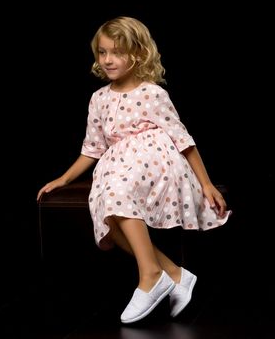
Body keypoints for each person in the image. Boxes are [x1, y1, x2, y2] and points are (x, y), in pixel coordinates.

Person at [37, 16, 231, 324]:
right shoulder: (98, 98)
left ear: (138, 54)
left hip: (156, 160)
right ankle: (173, 273)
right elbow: (93, 148)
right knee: (108, 212)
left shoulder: (153, 93)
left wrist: (204, 183)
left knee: (118, 191)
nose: (108, 59)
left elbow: (183, 140)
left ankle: (151, 275)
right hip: (116, 165)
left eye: (117, 52)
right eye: (102, 52)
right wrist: (63, 178)